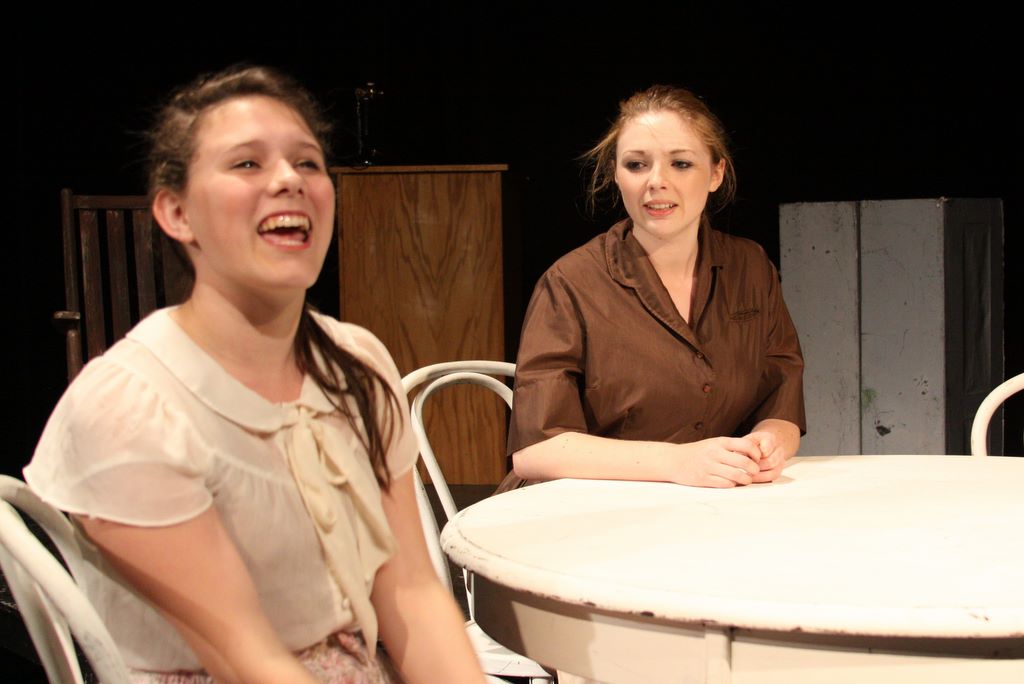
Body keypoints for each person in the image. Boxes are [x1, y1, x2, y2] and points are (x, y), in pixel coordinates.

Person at [25, 66, 484, 684]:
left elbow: (411, 593)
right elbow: (246, 656)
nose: (289, 180)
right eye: (247, 163)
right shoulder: (131, 408)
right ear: (177, 212)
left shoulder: (356, 364)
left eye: (308, 162)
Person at [507, 85, 805, 489]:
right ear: (617, 174)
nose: (657, 181)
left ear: (716, 173)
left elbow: (781, 395)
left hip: (700, 504)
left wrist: (770, 443)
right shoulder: (571, 282)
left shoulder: (751, 267)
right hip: (577, 505)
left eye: (681, 164)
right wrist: (677, 462)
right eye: (636, 165)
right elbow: (535, 450)